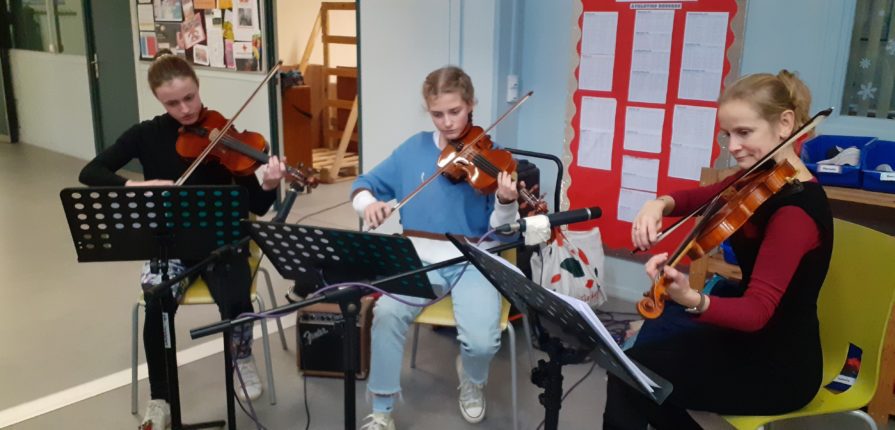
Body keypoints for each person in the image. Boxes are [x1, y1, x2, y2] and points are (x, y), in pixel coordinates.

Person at [605, 70, 833, 429]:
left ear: (785, 123)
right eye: (728, 134)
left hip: (780, 365)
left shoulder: (795, 213)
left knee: (634, 378)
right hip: (746, 340)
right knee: (633, 372)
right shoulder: (761, 178)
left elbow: (758, 311)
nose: (733, 146)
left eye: (744, 132)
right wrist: (659, 204)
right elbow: (703, 196)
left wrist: (691, 298)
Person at [78, 49, 286, 430]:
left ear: (197, 86)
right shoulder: (146, 135)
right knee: (156, 301)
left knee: (237, 294)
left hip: (223, 242)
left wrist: (269, 184)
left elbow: (256, 202)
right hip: (169, 245)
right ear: (158, 99)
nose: (186, 110)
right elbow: (91, 171)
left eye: (189, 97)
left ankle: (241, 357)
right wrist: (137, 185)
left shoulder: (225, 135)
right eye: (172, 103)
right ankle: (161, 398)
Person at [352, 66, 520, 430]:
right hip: (418, 258)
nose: (447, 123)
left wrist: (506, 202)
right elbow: (365, 183)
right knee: (386, 315)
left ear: (471, 104)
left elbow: (504, 233)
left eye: (455, 112)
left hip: (473, 260)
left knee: (481, 342)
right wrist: (368, 204)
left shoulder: (494, 160)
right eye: (438, 114)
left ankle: (472, 380)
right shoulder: (413, 150)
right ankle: (382, 409)